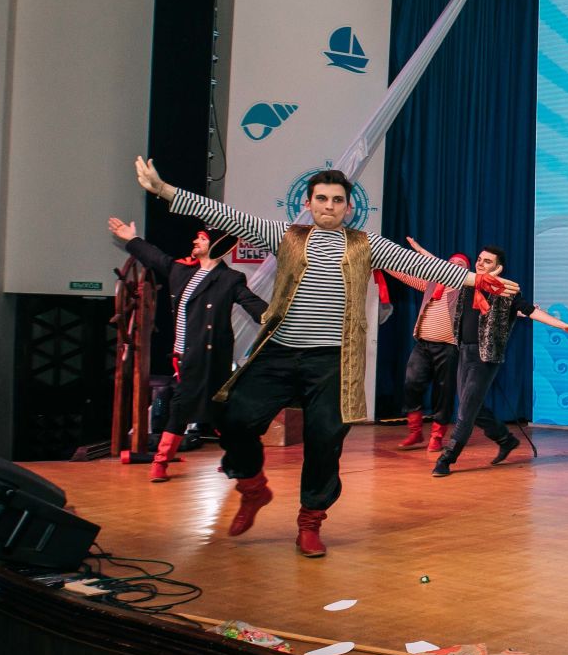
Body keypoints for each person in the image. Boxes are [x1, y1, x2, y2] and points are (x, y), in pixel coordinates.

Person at [133, 157, 499, 557]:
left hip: (332, 361)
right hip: (279, 352)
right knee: (233, 418)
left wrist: (477, 279)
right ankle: (253, 488)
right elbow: (229, 216)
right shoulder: (286, 236)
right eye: (322, 199)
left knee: (325, 440)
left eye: (337, 200)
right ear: (307, 203)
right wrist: (165, 190)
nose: (329, 206)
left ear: (349, 207)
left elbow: (419, 264)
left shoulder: (365, 245)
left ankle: (310, 522)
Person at [106, 218, 268, 482]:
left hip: (209, 358)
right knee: (213, 412)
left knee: (188, 408)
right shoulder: (181, 271)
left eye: (202, 238)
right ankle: (234, 457)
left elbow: (255, 306)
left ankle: (161, 462)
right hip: (183, 357)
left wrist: (278, 319)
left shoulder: (229, 279)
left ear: (216, 245)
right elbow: (155, 257)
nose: (195, 241)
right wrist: (131, 239)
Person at [429, 243, 568, 477]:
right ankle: (505, 439)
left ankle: (446, 459)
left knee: (465, 412)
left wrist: (563, 325)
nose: (480, 263)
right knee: (471, 407)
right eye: (479, 259)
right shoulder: (467, 282)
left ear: (498, 267)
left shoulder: (506, 291)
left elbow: (531, 310)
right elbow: (437, 267)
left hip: (485, 357)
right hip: (464, 352)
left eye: (487, 261)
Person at [383, 246, 472, 452]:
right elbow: (404, 276)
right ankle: (415, 432)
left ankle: (437, 436)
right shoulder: (431, 283)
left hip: (448, 347)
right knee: (411, 383)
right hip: (423, 344)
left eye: (460, 264)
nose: (454, 265)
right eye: (452, 262)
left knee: (443, 392)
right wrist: (382, 263)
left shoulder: (464, 289)